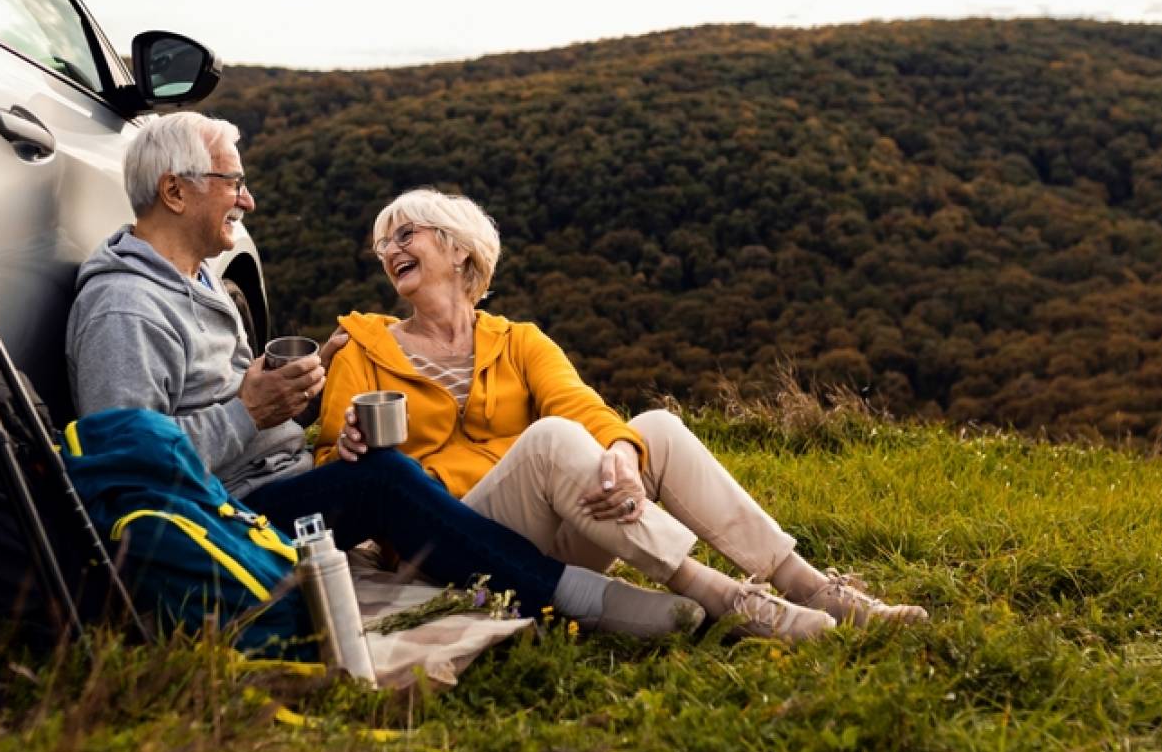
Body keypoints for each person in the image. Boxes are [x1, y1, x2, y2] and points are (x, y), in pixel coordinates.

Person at [65, 113, 699, 637]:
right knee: (385, 478)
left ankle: (634, 587)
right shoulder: (125, 308)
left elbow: (234, 412)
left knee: (384, 475)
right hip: (226, 515)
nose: (248, 200)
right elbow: (130, 479)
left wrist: (296, 397)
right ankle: (583, 601)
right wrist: (248, 413)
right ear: (176, 192)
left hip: (275, 485)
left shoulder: (201, 283)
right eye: (234, 182)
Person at [316, 188, 928, 642]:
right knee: (553, 439)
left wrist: (625, 455)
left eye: (404, 235)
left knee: (654, 427)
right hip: (448, 542)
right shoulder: (361, 346)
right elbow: (332, 468)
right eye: (382, 245)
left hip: (555, 527)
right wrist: (347, 449)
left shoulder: (517, 340)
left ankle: (810, 585)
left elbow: (583, 405)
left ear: (456, 248)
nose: (389, 251)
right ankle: (730, 599)